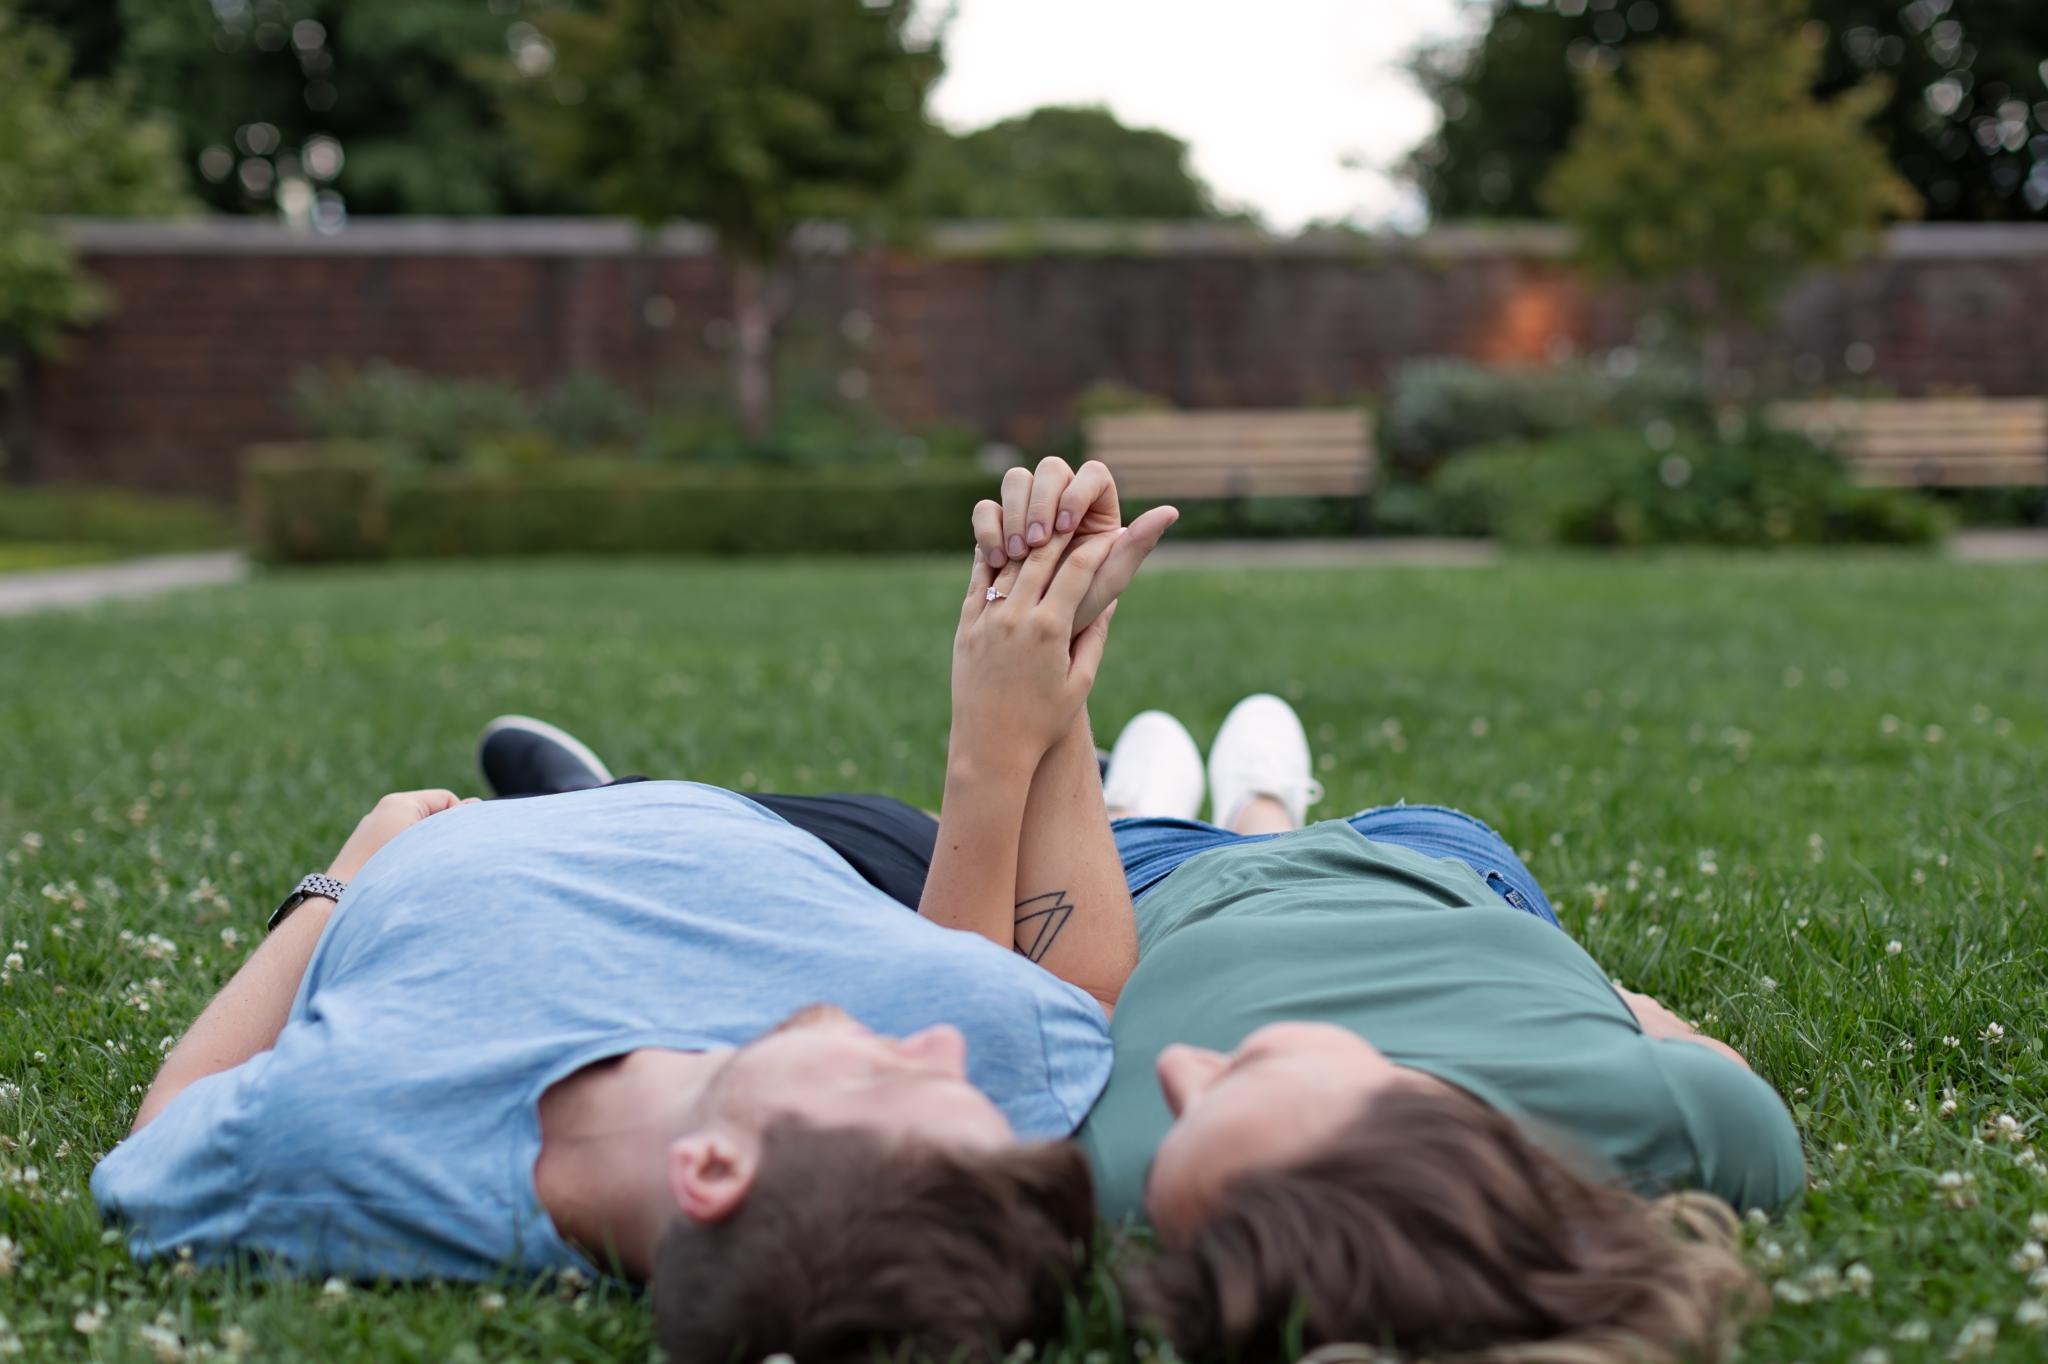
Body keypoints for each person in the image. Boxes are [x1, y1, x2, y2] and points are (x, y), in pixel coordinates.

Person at [92, 474, 1175, 1364]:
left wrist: (346, 876)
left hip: (498, 863)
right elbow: (1061, 994)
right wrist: (1032, 689)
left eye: (894, 1080)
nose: (940, 1051)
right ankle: (1145, 801)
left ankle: (574, 798)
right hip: (838, 853)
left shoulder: (349, 1140)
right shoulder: (936, 1082)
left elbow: (163, 1133)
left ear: (710, 1169)